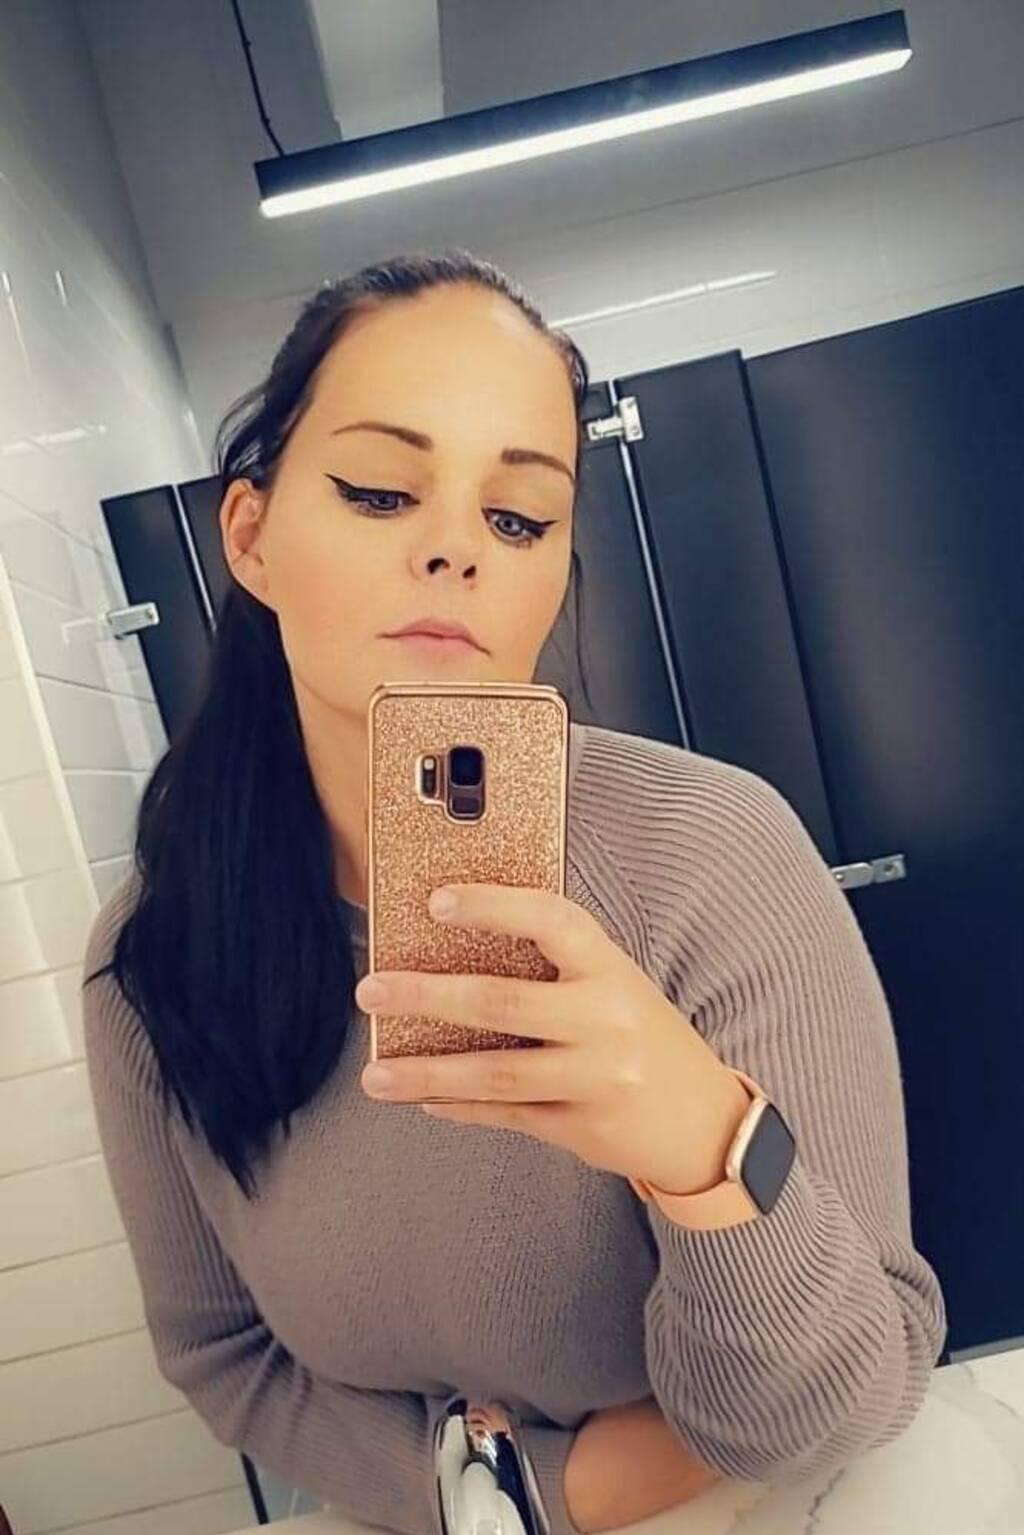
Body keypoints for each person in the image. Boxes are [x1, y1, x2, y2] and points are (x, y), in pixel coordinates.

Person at [81, 249, 947, 1535]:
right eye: (381, 492)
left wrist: (701, 1146)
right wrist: (531, 1488)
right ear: (251, 536)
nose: (453, 551)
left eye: (518, 517)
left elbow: (846, 1396)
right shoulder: (158, 945)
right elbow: (225, 1354)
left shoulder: (707, 852)